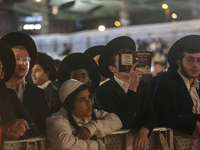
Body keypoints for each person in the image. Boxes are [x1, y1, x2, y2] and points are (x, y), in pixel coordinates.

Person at [94, 36, 157, 150]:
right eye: (125, 61)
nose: (132, 65)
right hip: (116, 144)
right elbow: (123, 121)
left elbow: (151, 114)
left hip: (142, 144)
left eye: (132, 59)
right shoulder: (102, 91)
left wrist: (145, 129)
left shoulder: (143, 85)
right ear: (112, 69)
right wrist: (132, 86)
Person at [46, 79, 122, 150]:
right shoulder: (57, 120)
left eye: (89, 97)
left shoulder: (93, 113)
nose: (89, 103)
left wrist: (91, 128)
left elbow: (117, 121)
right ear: (70, 105)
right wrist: (95, 145)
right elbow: (64, 143)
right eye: (82, 100)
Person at [154, 35, 200, 149]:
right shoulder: (166, 82)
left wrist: (183, 116)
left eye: (199, 60)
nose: (195, 65)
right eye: (190, 60)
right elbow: (162, 116)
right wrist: (194, 124)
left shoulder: (198, 85)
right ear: (179, 62)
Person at [1, 32, 51, 135]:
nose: (22, 63)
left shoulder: (38, 93)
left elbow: (44, 124)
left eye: (26, 59)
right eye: (17, 58)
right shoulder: (2, 90)